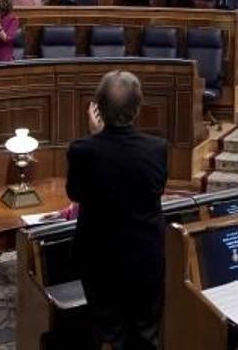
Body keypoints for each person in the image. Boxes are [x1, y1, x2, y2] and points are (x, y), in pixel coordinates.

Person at [66, 71, 167, 349]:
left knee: (109, 335)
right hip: (146, 258)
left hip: (100, 260)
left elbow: (75, 193)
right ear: (138, 108)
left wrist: (97, 138)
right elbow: (153, 189)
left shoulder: (82, 150)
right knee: (147, 333)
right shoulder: (157, 148)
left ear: (97, 108)